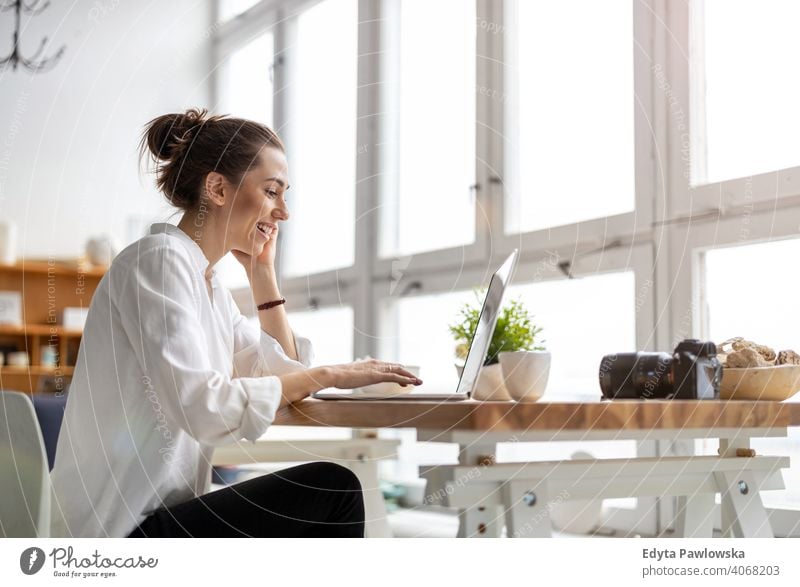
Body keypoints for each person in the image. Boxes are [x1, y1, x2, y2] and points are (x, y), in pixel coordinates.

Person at [49, 107, 423, 538]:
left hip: (158, 517)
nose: (284, 211)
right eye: (271, 191)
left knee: (326, 492)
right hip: (116, 534)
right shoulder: (157, 263)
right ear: (217, 189)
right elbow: (204, 407)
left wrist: (263, 277)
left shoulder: (204, 284)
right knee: (333, 490)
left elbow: (283, 373)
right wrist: (332, 374)